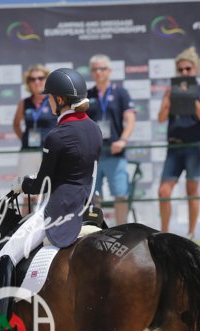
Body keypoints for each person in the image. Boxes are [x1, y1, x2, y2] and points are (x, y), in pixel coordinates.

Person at [0, 68, 102, 331]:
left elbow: (41, 184)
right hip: (87, 203)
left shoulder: (56, 136)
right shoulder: (95, 129)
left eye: (51, 97)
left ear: (60, 99)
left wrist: (23, 184)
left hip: (58, 208)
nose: (48, 101)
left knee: (6, 256)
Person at [157, 46, 200, 239]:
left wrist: (190, 97)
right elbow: (161, 118)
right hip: (174, 146)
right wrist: (170, 99)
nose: (184, 72)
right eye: (180, 69)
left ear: (195, 69)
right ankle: (164, 234)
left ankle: (191, 234)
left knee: (192, 191)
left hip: (194, 146)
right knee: (163, 192)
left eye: (188, 69)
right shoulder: (170, 89)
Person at [86, 54, 136, 226]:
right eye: (95, 69)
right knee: (93, 195)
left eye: (102, 68)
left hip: (115, 152)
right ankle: (96, 230)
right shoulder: (88, 95)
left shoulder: (120, 92)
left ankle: (122, 230)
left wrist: (123, 140)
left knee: (120, 194)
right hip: (94, 154)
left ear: (109, 71)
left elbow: (130, 119)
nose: (98, 72)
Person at [13, 64, 58, 176]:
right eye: (32, 79)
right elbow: (16, 124)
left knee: (49, 184)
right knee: (27, 185)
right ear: (28, 82)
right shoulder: (24, 102)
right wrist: (24, 139)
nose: (36, 82)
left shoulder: (54, 100)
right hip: (28, 151)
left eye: (40, 78)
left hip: (49, 151)